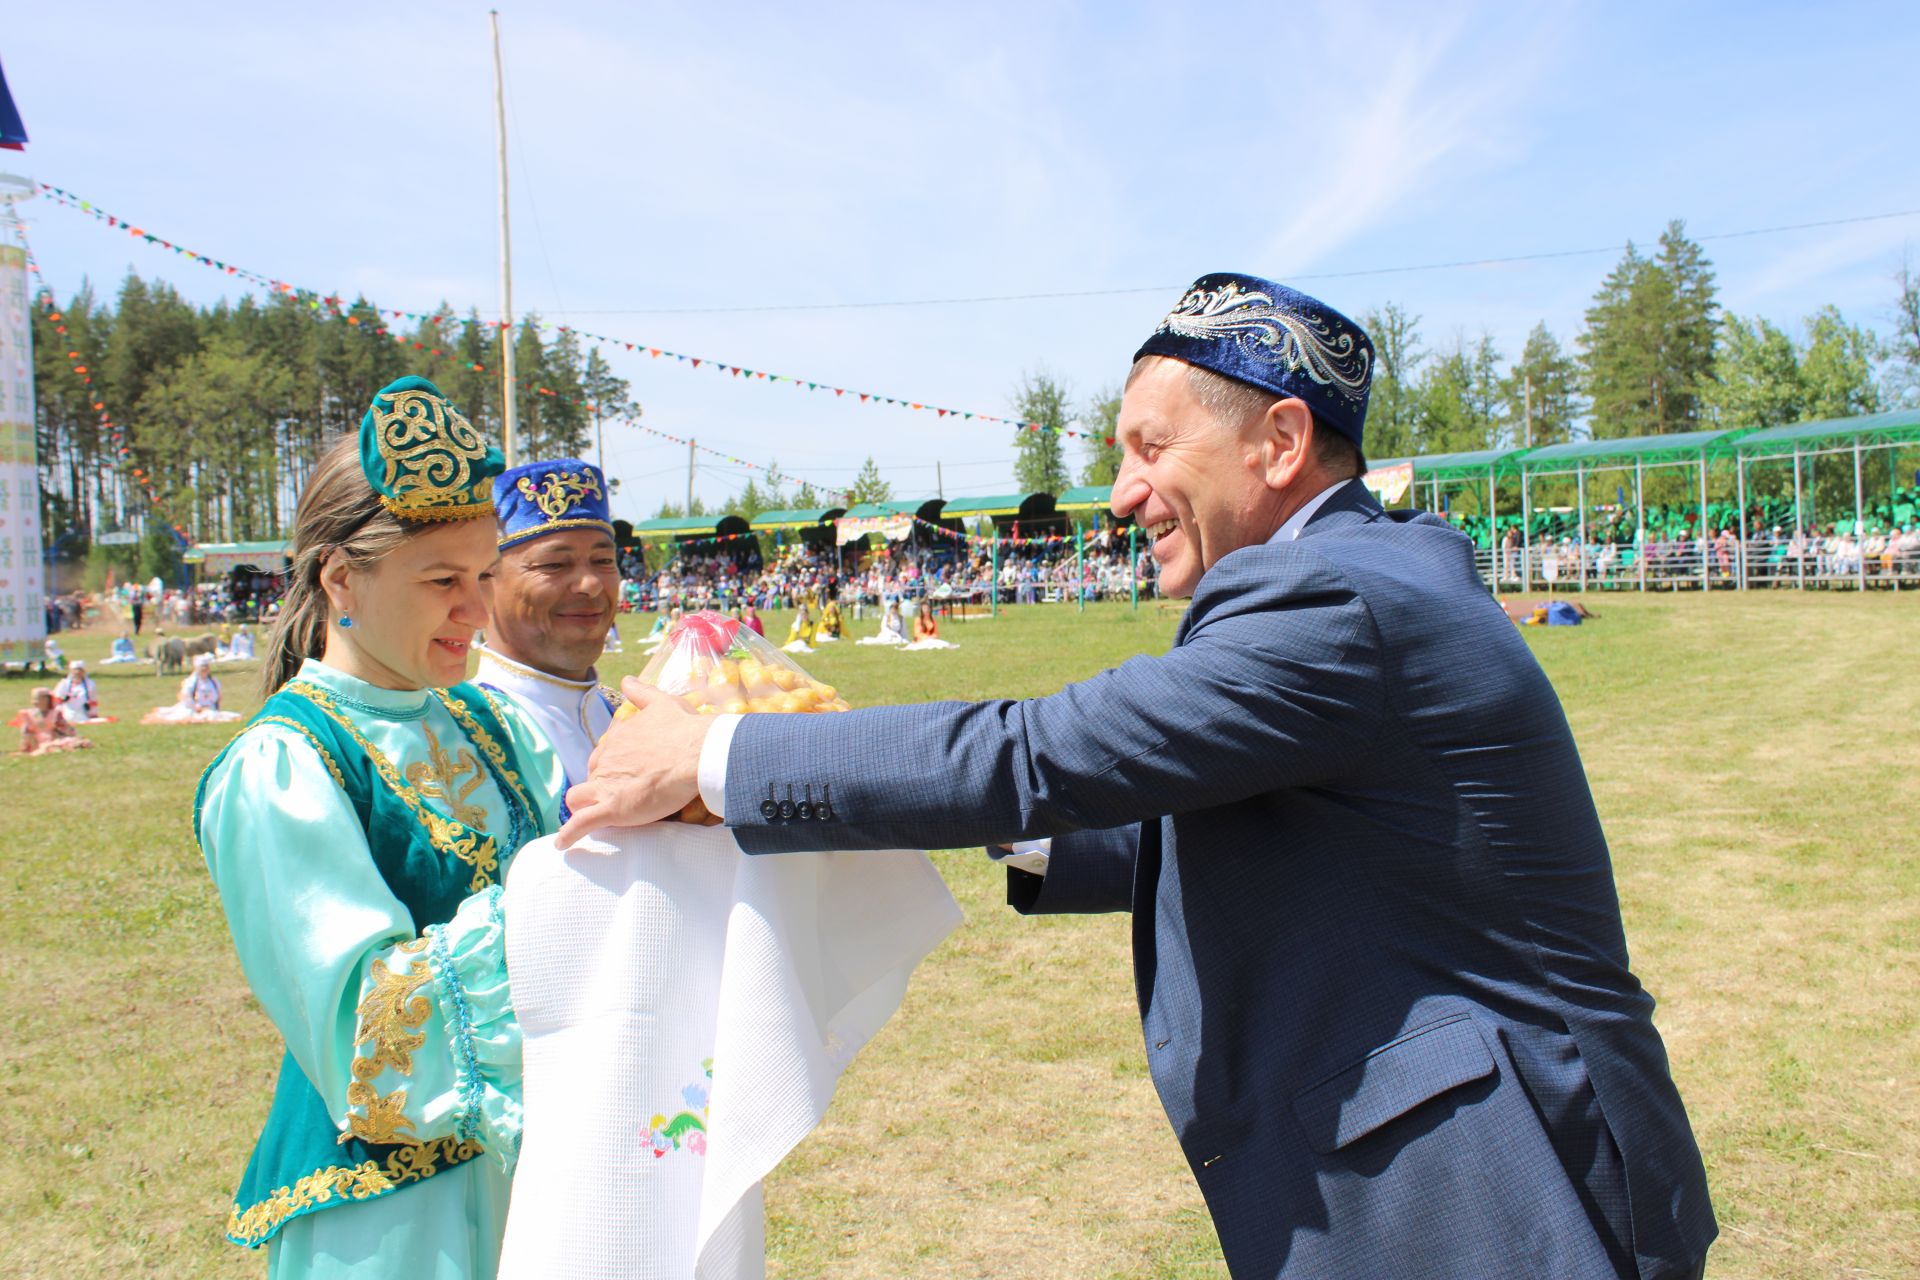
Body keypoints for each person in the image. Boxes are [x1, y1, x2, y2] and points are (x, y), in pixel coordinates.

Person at [569, 275, 1716, 1280]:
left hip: (1499, 1188)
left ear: (1278, 440)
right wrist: (1006, 825)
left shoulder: (1331, 597)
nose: (1121, 493)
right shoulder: (1357, 570)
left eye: (1152, 448)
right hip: (1474, 1150)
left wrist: (715, 754)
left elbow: (1042, 750)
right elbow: (1232, 814)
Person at [195, 376, 566, 1275]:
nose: (478, 610)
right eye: (443, 580)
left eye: (485, 575)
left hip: (535, 1183)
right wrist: (562, 896)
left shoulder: (491, 723)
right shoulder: (282, 767)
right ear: (339, 579)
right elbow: (367, 1033)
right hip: (397, 1225)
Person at [473, 457, 623, 821]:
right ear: (483, 581)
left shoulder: (623, 715)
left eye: (603, 561)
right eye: (554, 565)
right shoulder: (463, 734)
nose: (590, 585)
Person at [142, 653, 242, 725]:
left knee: (217, 715)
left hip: (208, 708)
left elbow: (218, 696)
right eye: (202, 667)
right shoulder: (191, 682)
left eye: (206, 667)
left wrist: (212, 706)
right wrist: (198, 707)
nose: (204, 670)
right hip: (193, 708)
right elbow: (186, 697)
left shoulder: (213, 682)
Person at [18, 687, 93, 755]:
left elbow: (68, 730)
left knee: (70, 743)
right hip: (35, 743)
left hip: (54, 741)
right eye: (33, 699)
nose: (34, 702)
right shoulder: (28, 714)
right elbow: (25, 733)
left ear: (46, 699)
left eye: (37, 699)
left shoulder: (55, 714)